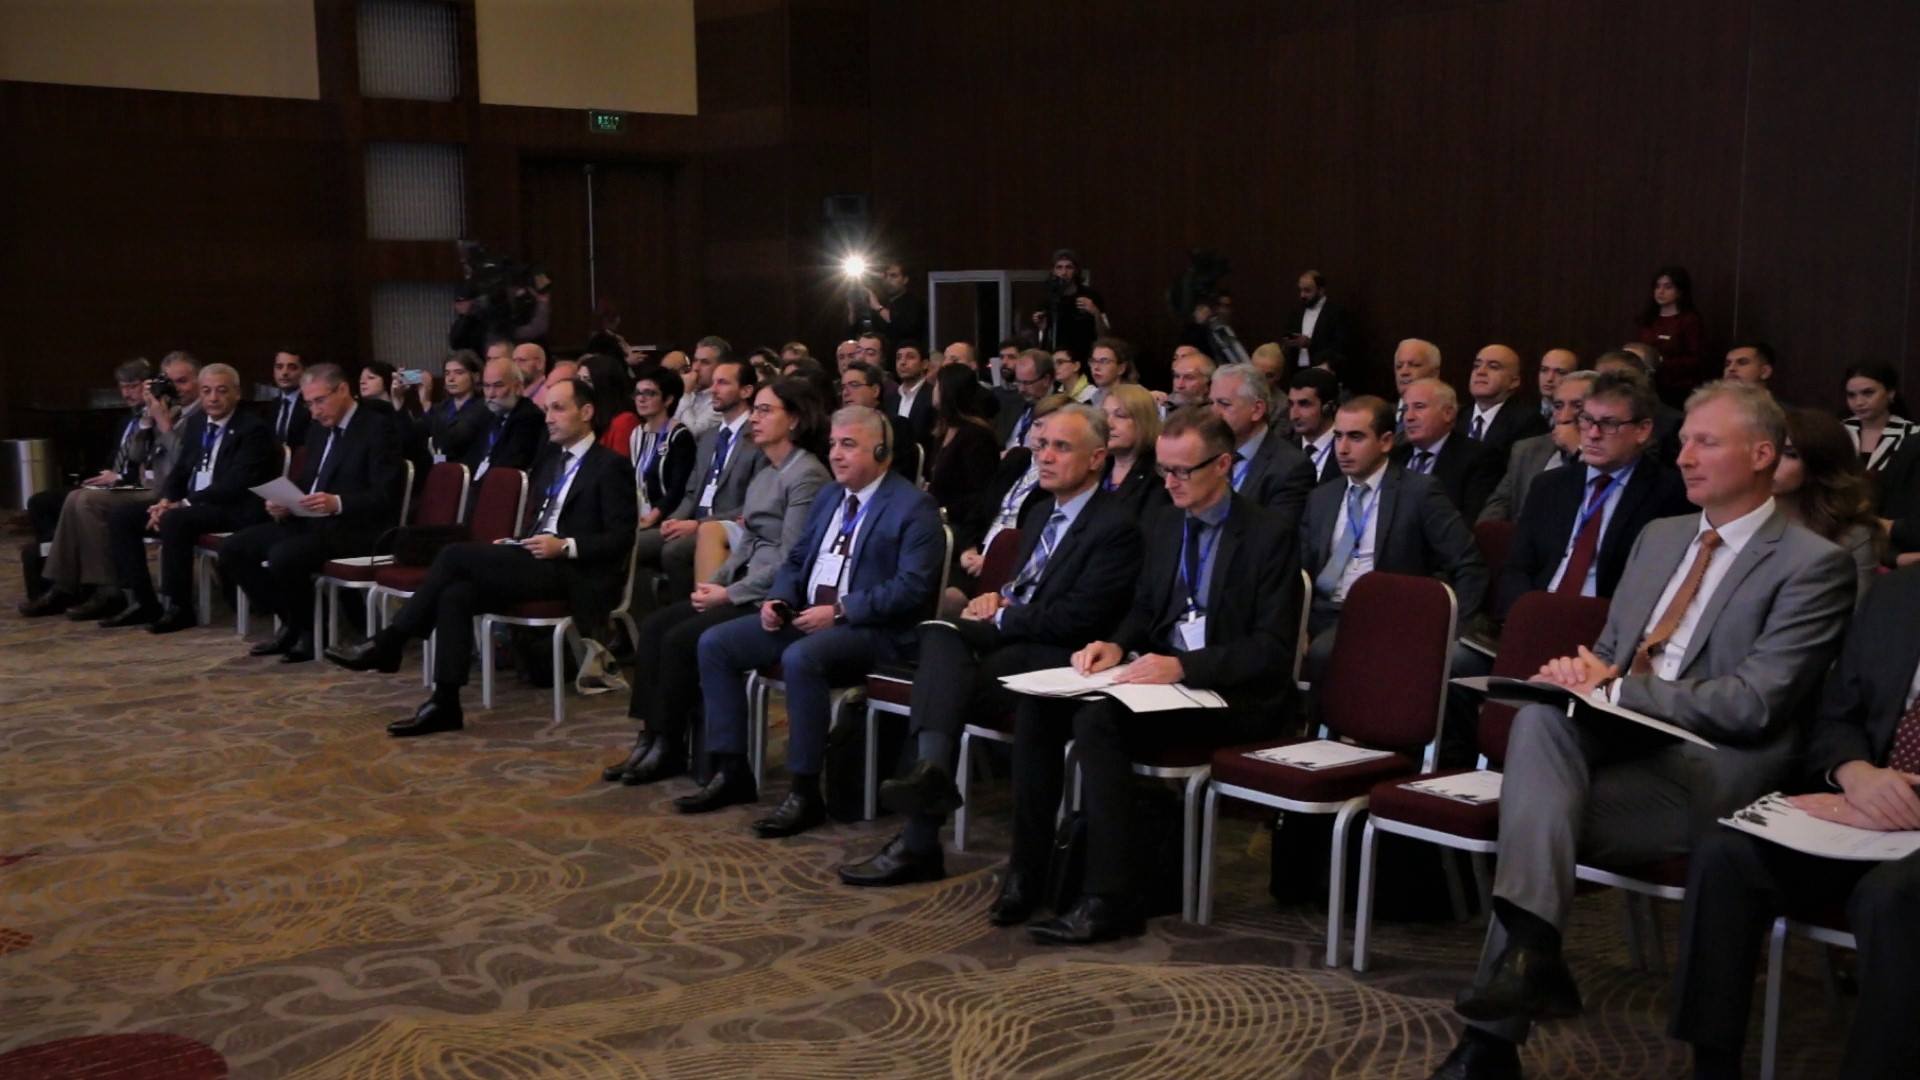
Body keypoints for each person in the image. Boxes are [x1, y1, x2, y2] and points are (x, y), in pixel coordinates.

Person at [1432, 381, 1855, 1080]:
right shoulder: (1661, 537)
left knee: (1534, 819)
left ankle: (1492, 1037)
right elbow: (1614, 649)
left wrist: (1619, 687)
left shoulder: (1812, 564)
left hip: (1711, 767)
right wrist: (1584, 671)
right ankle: (1527, 963)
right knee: (1539, 716)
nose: (1683, 456)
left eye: (1705, 442)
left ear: (1761, 454)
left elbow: (1755, 705)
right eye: (1683, 441)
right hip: (1620, 739)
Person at [998, 408, 1303, 943]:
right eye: (1164, 470)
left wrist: (1184, 666)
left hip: (1231, 695)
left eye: (1183, 471)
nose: (1170, 482)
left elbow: (1271, 650)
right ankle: (1028, 871)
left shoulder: (1267, 534)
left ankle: (1109, 896)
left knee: (1099, 723)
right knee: (1040, 707)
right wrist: (1115, 644)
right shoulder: (1164, 521)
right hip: (1164, 682)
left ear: (1224, 465)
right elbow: (1144, 605)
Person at [837, 405, 1143, 887]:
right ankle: (930, 779)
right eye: (1042, 445)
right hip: (1014, 638)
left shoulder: (1116, 526)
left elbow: (1080, 618)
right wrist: (996, 598)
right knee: (940, 631)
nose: (1045, 457)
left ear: (1096, 458)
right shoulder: (1039, 511)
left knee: (944, 677)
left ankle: (920, 830)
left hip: (1066, 654)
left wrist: (1003, 613)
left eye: (1061, 448)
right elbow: (1024, 588)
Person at [1667, 564, 1920, 1080]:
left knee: (1889, 899)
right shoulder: (1897, 594)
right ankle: (1712, 1068)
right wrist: (1854, 772)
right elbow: (1836, 716)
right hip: (1864, 805)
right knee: (1725, 854)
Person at [677, 406, 944, 838]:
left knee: (802, 659)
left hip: (874, 631)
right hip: (809, 616)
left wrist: (840, 611)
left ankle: (804, 792)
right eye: (834, 444)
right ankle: (731, 769)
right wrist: (780, 598)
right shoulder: (830, 496)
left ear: (881, 452)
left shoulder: (914, 507)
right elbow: (798, 558)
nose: (835, 454)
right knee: (716, 643)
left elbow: (912, 588)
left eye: (849, 445)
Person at [327, 377, 636, 733]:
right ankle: (445, 703)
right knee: (455, 594)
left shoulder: (609, 466)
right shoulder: (551, 459)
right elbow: (543, 519)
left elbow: (620, 539)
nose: (548, 418)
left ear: (587, 412)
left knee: (454, 555)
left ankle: (391, 641)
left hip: (574, 571)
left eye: (558, 408)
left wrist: (565, 546)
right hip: (535, 559)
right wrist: (516, 541)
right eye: (547, 409)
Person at [603, 378, 831, 785]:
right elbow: (749, 542)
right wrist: (715, 582)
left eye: (765, 411)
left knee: (681, 638)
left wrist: (729, 593)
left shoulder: (807, 476)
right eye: (755, 410)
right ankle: (650, 735)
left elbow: (791, 560)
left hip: (771, 597)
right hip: (743, 584)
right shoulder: (766, 472)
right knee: (656, 626)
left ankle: (670, 743)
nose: (754, 419)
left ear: (794, 419)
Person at [218, 364, 405, 663]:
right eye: (309, 403)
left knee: (285, 556)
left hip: (356, 527)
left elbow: (386, 495)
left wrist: (338, 503)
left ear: (342, 390)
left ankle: (310, 632)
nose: (314, 411)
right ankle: (292, 620)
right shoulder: (318, 428)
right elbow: (309, 481)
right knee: (234, 549)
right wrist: (286, 502)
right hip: (311, 521)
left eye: (320, 401)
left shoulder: (377, 428)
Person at [1300, 396, 1486, 676]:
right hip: (1320, 611)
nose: (1343, 448)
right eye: (1338, 437)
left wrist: (1451, 633)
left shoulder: (1420, 492)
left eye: (1356, 437)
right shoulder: (1322, 497)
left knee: (1324, 652)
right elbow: (1299, 570)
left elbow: (1469, 565)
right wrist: (1296, 624)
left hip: (1385, 615)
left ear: (1386, 441)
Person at [1494, 372, 1690, 617]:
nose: (1593, 434)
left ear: (1642, 430)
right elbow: (1517, 567)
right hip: (1538, 612)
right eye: (1586, 420)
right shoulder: (1549, 485)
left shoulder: (1669, 493)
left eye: (1609, 424)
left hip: (1604, 622)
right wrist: (1524, 615)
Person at [103, 364, 278, 630]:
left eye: (221, 391)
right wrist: (165, 500)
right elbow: (182, 469)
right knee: (122, 516)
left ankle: (179, 606)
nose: (213, 398)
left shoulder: (253, 429)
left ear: (237, 393)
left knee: (175, 520)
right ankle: (142, 601)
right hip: (194, 504)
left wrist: (182, 504)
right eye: (206, 391)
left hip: (234, 508)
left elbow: (236, 483)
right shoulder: (197, 423)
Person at [21, 356, 195, 617]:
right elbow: (136, 456)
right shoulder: (165, 409)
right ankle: (65, 585)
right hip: (147, 485)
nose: (176, 388)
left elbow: (184, 463)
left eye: (183, 381)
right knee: (76, 498)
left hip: (169, 491)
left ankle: (109, 588)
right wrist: (146, 423)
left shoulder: (198, 416)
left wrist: (164, 425)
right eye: (170, 382)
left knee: (87, 502)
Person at [651, 358, 766, 606]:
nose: (713, 389)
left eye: (723, 383)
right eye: (713, 382)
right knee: (635, 544)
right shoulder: (709, 437)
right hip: (692, 521)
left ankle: (688, 613)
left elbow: (751, 504)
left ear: (746, 391)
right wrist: (676, 520)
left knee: (674, 552)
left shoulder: (757, 437)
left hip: (726, 527)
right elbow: (691, 493)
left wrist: (697, 524)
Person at [952, 395, 1073, 601]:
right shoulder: (1017, 458)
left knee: (950, 598)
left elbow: (1034, 538)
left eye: (1050, 427)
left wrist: (991, 561)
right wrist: (967, 549)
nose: (1040, 434)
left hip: (1010, 568)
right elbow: (980, 508)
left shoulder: (1057, 477)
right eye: (1037, 424)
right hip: (976, 553)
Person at [1776, 406, 1883, 600]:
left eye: (1790, 454)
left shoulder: (1852, 535)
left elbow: (1859, 610)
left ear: (1820, 463)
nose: (1771, 461)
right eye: (1768, 449)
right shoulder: (1741, 518)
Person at [1208, 363, 1317, 530]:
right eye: (1212, 403)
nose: (1214, 413)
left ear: (1257, 410)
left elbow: (1275, 534)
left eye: (1224, 404)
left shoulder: (1291, 467)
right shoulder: (1207, 454)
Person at [1478, 371, 1597, 524]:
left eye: (1577, 406)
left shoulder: (1610, 456)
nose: (1564, 416)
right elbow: (1499, 505)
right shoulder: (1527, 450)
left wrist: (1577, 450)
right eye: (1558, 406)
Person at [1392, 377, 1501, 521]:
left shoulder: (1479, 458)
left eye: (1419, 407)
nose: (1408, 417)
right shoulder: (1394, 457)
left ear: (1448, 413)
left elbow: (1467, 521)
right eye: (1405, 409)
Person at [925, 363, 1003, 522]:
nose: (933, 390)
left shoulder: (977, 436)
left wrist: (945, 513)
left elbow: (981, 495)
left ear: (949, 390)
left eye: (937, 385)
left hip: (960, 522)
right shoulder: (943, 431)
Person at [627, 366, 698, 537]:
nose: (641, 399)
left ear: (668, 400)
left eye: (649, 393)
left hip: (668, 518)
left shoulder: (680, 436)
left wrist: (653, 516)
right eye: (638, 393)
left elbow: (678, 488)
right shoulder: (637, 433)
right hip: (639, 515)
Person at [1457, 345, 1548, 462]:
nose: (1480, 372)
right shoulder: (1458, 416)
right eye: (1476, 366)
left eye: (1493, 367)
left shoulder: (1529, 422)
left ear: (1514, 381)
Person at [1635, 265, 1707, 405]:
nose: (1660, 292)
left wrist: (1661, 362)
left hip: (1677, 388)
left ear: (1680, 291)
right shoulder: (1648, 319)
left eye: (1668, 287)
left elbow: (1697, 359)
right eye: (1657, 286)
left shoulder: (1689, 321)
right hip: (1648, 384)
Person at [841, 360, 920, 483]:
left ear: (875, 391)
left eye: (854, 385)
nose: (845, 393)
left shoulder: (897, 426)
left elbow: (898, 477)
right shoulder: (840, 429)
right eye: (843, 387)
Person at [468, 357, 545, 481]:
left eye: (498, 386)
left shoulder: (529, 418)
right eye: (486, 386)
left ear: (518, 387)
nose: (491, 394)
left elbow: (511, 465)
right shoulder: (487, 416)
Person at [1098, 384, 1168, 518]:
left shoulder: (1160, 475)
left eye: (1120, 416)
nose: (1108, 424)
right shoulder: (1096, 469)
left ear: (1143, 421)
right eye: (1104, 415)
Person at [1035, 248, 1106, 362]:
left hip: (1085, 357)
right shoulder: (1048, 299)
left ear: (1076, 270)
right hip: (1056, 359)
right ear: (1053, 271)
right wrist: (1042, 328)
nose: (1064, 272)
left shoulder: (1091, 295)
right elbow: (1042, 340)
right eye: (1059, 267)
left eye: (1069, 267)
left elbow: (1105, 334)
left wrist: (1095, 312)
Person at [1282, 270, 1356, 375]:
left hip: (1323, 372)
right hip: (1297, 372)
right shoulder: (1296, 311)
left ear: (1321, 290)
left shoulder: (1336, 312)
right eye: (1301, 290)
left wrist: (1310, 343)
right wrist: (1289, 342)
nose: (1302, 295)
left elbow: (1341, 346)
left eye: (1307, 291)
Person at [422, 350, 488, 465]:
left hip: (468, 469)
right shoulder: (441, 408)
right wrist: (399, 401)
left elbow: (453, 441)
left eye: (459, 372)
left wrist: (427, 407)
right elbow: (419, 437)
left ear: (476, 377)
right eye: (447, 373)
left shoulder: (483, 407)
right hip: (445, 469)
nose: (451, 379)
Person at [1842, 363, 1911, 472]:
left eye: (1868, 393)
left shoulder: (1912, 434)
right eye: (1851, 395)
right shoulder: (1839, 430)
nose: (1859, 402)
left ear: (1890, 393)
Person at [846, 260, 926, 351]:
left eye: (893, 276)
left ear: (905, 279)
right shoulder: (881, 301)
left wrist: (878, 307)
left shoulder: (914, 302)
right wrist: (852, 310)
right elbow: (855, 333)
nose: (888, 280)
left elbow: (904, 327)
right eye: (885, 276)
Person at [577, 353, 640, 457]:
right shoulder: (586, 415)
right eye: (578, 379)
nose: (579, 386)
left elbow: (619, 464)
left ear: (604, 384)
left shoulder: (624, 421)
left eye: (588, 380)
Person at [1288, 367, 1341, 485]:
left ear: (1328, 407)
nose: (1294, 415)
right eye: (1291, 404)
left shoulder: (1347, 450)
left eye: (1304, 404)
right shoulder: (1283, 450)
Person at [1000, 349, 1056, 453]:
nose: (1021, 389)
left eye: (1027, 383)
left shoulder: (1063, 410)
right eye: (1018, 382)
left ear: (1046, 380)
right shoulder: (1012, 403)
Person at [672, 337, 729, 437]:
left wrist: (685, 394)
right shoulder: (690, 392)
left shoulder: (722, 399)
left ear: (720, 367)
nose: (696, 368)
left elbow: (691, 434)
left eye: (705, 362)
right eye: (695, 361)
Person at [884, 342, 935, 448]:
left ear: (924, 364)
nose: (902, 362)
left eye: (910, 357)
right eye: (899, 358)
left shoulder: (933, 395)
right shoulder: (890, 398)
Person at [1392, 338, 1442, 431]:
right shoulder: (1382, 415)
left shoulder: (1449, 417)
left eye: (1414, 365)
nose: (1404, 372)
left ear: (1434, 373)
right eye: (1399, 366)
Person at [265, 350, 310, 446]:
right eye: (279, 367)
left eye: (292, 367)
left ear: (304, 371)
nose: (284, 372)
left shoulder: (311, 404)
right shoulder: (270, 407)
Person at [1161, 346, 1215, 417]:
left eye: (1189, 378)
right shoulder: (1160, 406)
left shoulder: (1216, 415)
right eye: (1177, 376)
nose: (1179, 385)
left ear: (1208, 384)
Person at [1085, 337, 1136, 406]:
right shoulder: (1091, 401)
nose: (1096, 367)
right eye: (1093, 361)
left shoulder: (1135, 401)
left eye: (1104, 361)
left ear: (1121, 368)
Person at [1535, 349, 1581, 424]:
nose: (1549, 378)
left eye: (1560, 372)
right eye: (1544, 370)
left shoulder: (1581, 415)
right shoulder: (1523, 411)